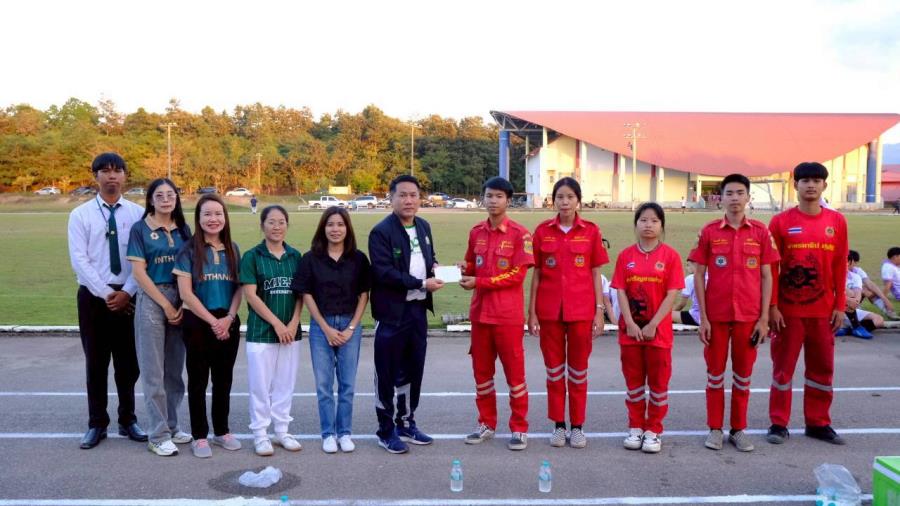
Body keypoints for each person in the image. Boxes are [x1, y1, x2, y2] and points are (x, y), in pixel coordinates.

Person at [689, 173, 780, 453]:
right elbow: (698, 275)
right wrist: (703, 318)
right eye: (729, 193)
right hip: (716, 317)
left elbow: (767, 276)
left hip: (749, 318)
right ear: (721, 198)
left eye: (740, 193)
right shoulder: (709, 231)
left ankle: (738, 429)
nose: (735, 198)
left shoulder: (761, 232)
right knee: (715, 375)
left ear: (748, 197)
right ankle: (715, 429)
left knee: (743, 377)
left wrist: (763, 319)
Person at [67, 152, 147, 449]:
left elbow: (143, 259)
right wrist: (106, 293)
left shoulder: (138, 214)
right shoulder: (80, 215)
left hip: (130, 295)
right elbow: (79, 259)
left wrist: (127, 292)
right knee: (96, 363)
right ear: (96, 176)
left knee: (128, 364)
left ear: (125, 176)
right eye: (105, 171)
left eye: (117, 170)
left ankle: (128, 419)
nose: (111, 176)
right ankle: (97, 423)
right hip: (93, 297)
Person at [767, 162, 849, 446]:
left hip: (824, 311)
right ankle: (778, 423)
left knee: (822, 369)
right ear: (796, 185)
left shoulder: (837, 221)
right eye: (805, 180)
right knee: (783, 369)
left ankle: (818, 423)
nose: (811, 185)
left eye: (816, 180)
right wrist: (772, 307)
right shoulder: (780, 222)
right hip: (788, 312)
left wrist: (840, 305)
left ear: (824, 185)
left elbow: (840, 266)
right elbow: (771, 269)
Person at [527, 177, 608, 449]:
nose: (565, 202)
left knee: (578, 371)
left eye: (570, 197)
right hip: (549, 312)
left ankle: (578, 426)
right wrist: (532, 312)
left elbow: (596, 273)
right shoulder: (542, 231)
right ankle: (559, 425)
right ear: (553, 201)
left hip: (581, 311)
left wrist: (599, 311)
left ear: (578, 201)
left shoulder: (591, 231)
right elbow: (537, 274)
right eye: (560, 197)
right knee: (554, 372)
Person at [369, 174, 444, 454]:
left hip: (417, 311)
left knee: (413, 370)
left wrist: (437, 268)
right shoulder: (381, 232)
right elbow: (384, 273)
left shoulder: (423, 226)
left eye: (413, 195)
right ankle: (385, 430)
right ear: (391, 198)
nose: (409, 200)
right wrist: (421, 283)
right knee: (386, 374)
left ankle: (406, 422)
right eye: (402, 195)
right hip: (391, 314)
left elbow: (428, 258)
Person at [458, 177, 535, 451]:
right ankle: (486, 423)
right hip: (480, 316)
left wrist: (479, 281)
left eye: (499, 196)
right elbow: (471, 265)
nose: (493, 201)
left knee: (515, 376)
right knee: (482, 375)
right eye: (489, 195)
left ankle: (519, 428)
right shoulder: (476, 232)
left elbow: (517, 275)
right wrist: (463, 269)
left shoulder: (520, 234)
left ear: (508, 200)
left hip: (507, 317)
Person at [292, 207, 370, 454]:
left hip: (350, 326)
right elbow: (306, 294)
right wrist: (326, 329)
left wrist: (351, 327)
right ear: (323, 228)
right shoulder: (310, 259)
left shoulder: (358, 259)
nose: (335, 229)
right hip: (320, 327)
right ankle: (328, 434)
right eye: (330, 224)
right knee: (324, 385)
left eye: (340, 224)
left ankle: (344, 433)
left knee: (347, 385)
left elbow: (364, 295)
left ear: (347, 228)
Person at [174, 194, 243, 458]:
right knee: (198, 381)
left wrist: (229, 317)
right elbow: (186, 293)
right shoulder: (188, 250)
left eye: (218, 214)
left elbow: (239, 289)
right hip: (198, 322)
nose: (213, 219)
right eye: (207, 214)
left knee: (223, 380)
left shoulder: (233, 248)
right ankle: (200, 435)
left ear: (225, 217)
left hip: (227, 321)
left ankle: (222, 431)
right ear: (199, 218)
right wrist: (214, 322)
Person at [126, 178, 192, 456]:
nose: (166, 199)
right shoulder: (140, 229)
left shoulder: (184, 229)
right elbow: (138, 273)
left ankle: (173, 426)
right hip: (153, 300)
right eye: (160, 195)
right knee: (153, 371)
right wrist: (165, 305)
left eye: (171, 195)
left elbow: (190, 267)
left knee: (174, 371)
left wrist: (183, 303)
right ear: (151, 200)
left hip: (181, 298)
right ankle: (158, 434)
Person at [611, 203, 684, 454]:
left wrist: (653, 324)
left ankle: (653, 430)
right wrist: (630, 323)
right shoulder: (625, 256)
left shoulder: (670, 256)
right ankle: (635, 427)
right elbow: (620, 291)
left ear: (662, 225)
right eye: (643, 220)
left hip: (658, 333)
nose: (648, 225)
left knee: (658, 384)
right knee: (633, 383)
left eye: (654, 220)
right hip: (630, 333)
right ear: (636, 224)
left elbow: (672, 294)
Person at [239, 205, 304, 456]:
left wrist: (294, 323)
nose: (277, 227)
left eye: (281, 222)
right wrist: (277, 324)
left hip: (290, 332)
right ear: (262, 225)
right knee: (260, 386)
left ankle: (282, 431)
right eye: (271, 222)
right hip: (262, 333)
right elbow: (251, 295)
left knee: (284, 384)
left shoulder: (295, 256)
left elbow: (301, 295)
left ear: (287, 225)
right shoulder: (252, 256)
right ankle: (260, 434)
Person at [836, 263, 883, 338]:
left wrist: (854, 301)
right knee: (848, 294)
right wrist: (848, 299)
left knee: (879, 320)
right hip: (835, 309)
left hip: (851, 309)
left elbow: (857, 294)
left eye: (846, 262)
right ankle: (855, 326)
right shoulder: (829, 276)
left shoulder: (855, 276)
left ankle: (849, 329)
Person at [847, 250, 897, 320]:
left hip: (854, 296)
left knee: (869, 290)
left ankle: (888, 311)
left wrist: (885, 300)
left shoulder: (857, 271)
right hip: (844, 298)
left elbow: (870, 284)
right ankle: (855, 308)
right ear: (851, 261)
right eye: (855, 263)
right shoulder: (838, 271)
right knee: (864, 290)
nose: (855, 265)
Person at [671, 261, 702, 326]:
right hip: (711, 317)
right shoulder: (709, 276)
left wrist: (672, 313)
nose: (686, 268)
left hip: (697, 317)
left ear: (696, 265)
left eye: (688, 265)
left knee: (664, 316)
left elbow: (681, 305)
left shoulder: (690, 278)